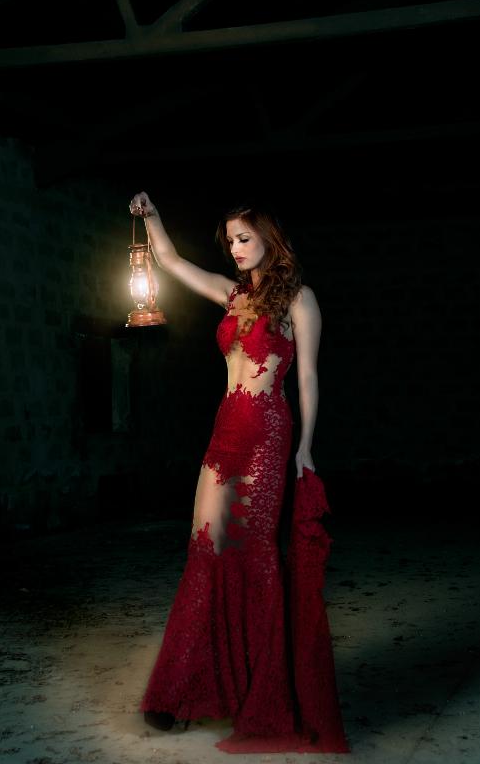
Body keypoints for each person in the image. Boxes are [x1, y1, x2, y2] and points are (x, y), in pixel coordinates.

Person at [128, 192, 349, 754]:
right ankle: (182, 691)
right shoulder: (232, 295)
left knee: (254, 557)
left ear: (268, 238)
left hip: (269, 435)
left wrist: (306, 449)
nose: (235, 248)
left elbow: (307, 381)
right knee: (206, 550)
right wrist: (152, 218)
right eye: (229, 241)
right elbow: (174, 265)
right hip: (226, 430)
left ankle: (262, 693)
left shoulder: (300, 300)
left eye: (243, 238)